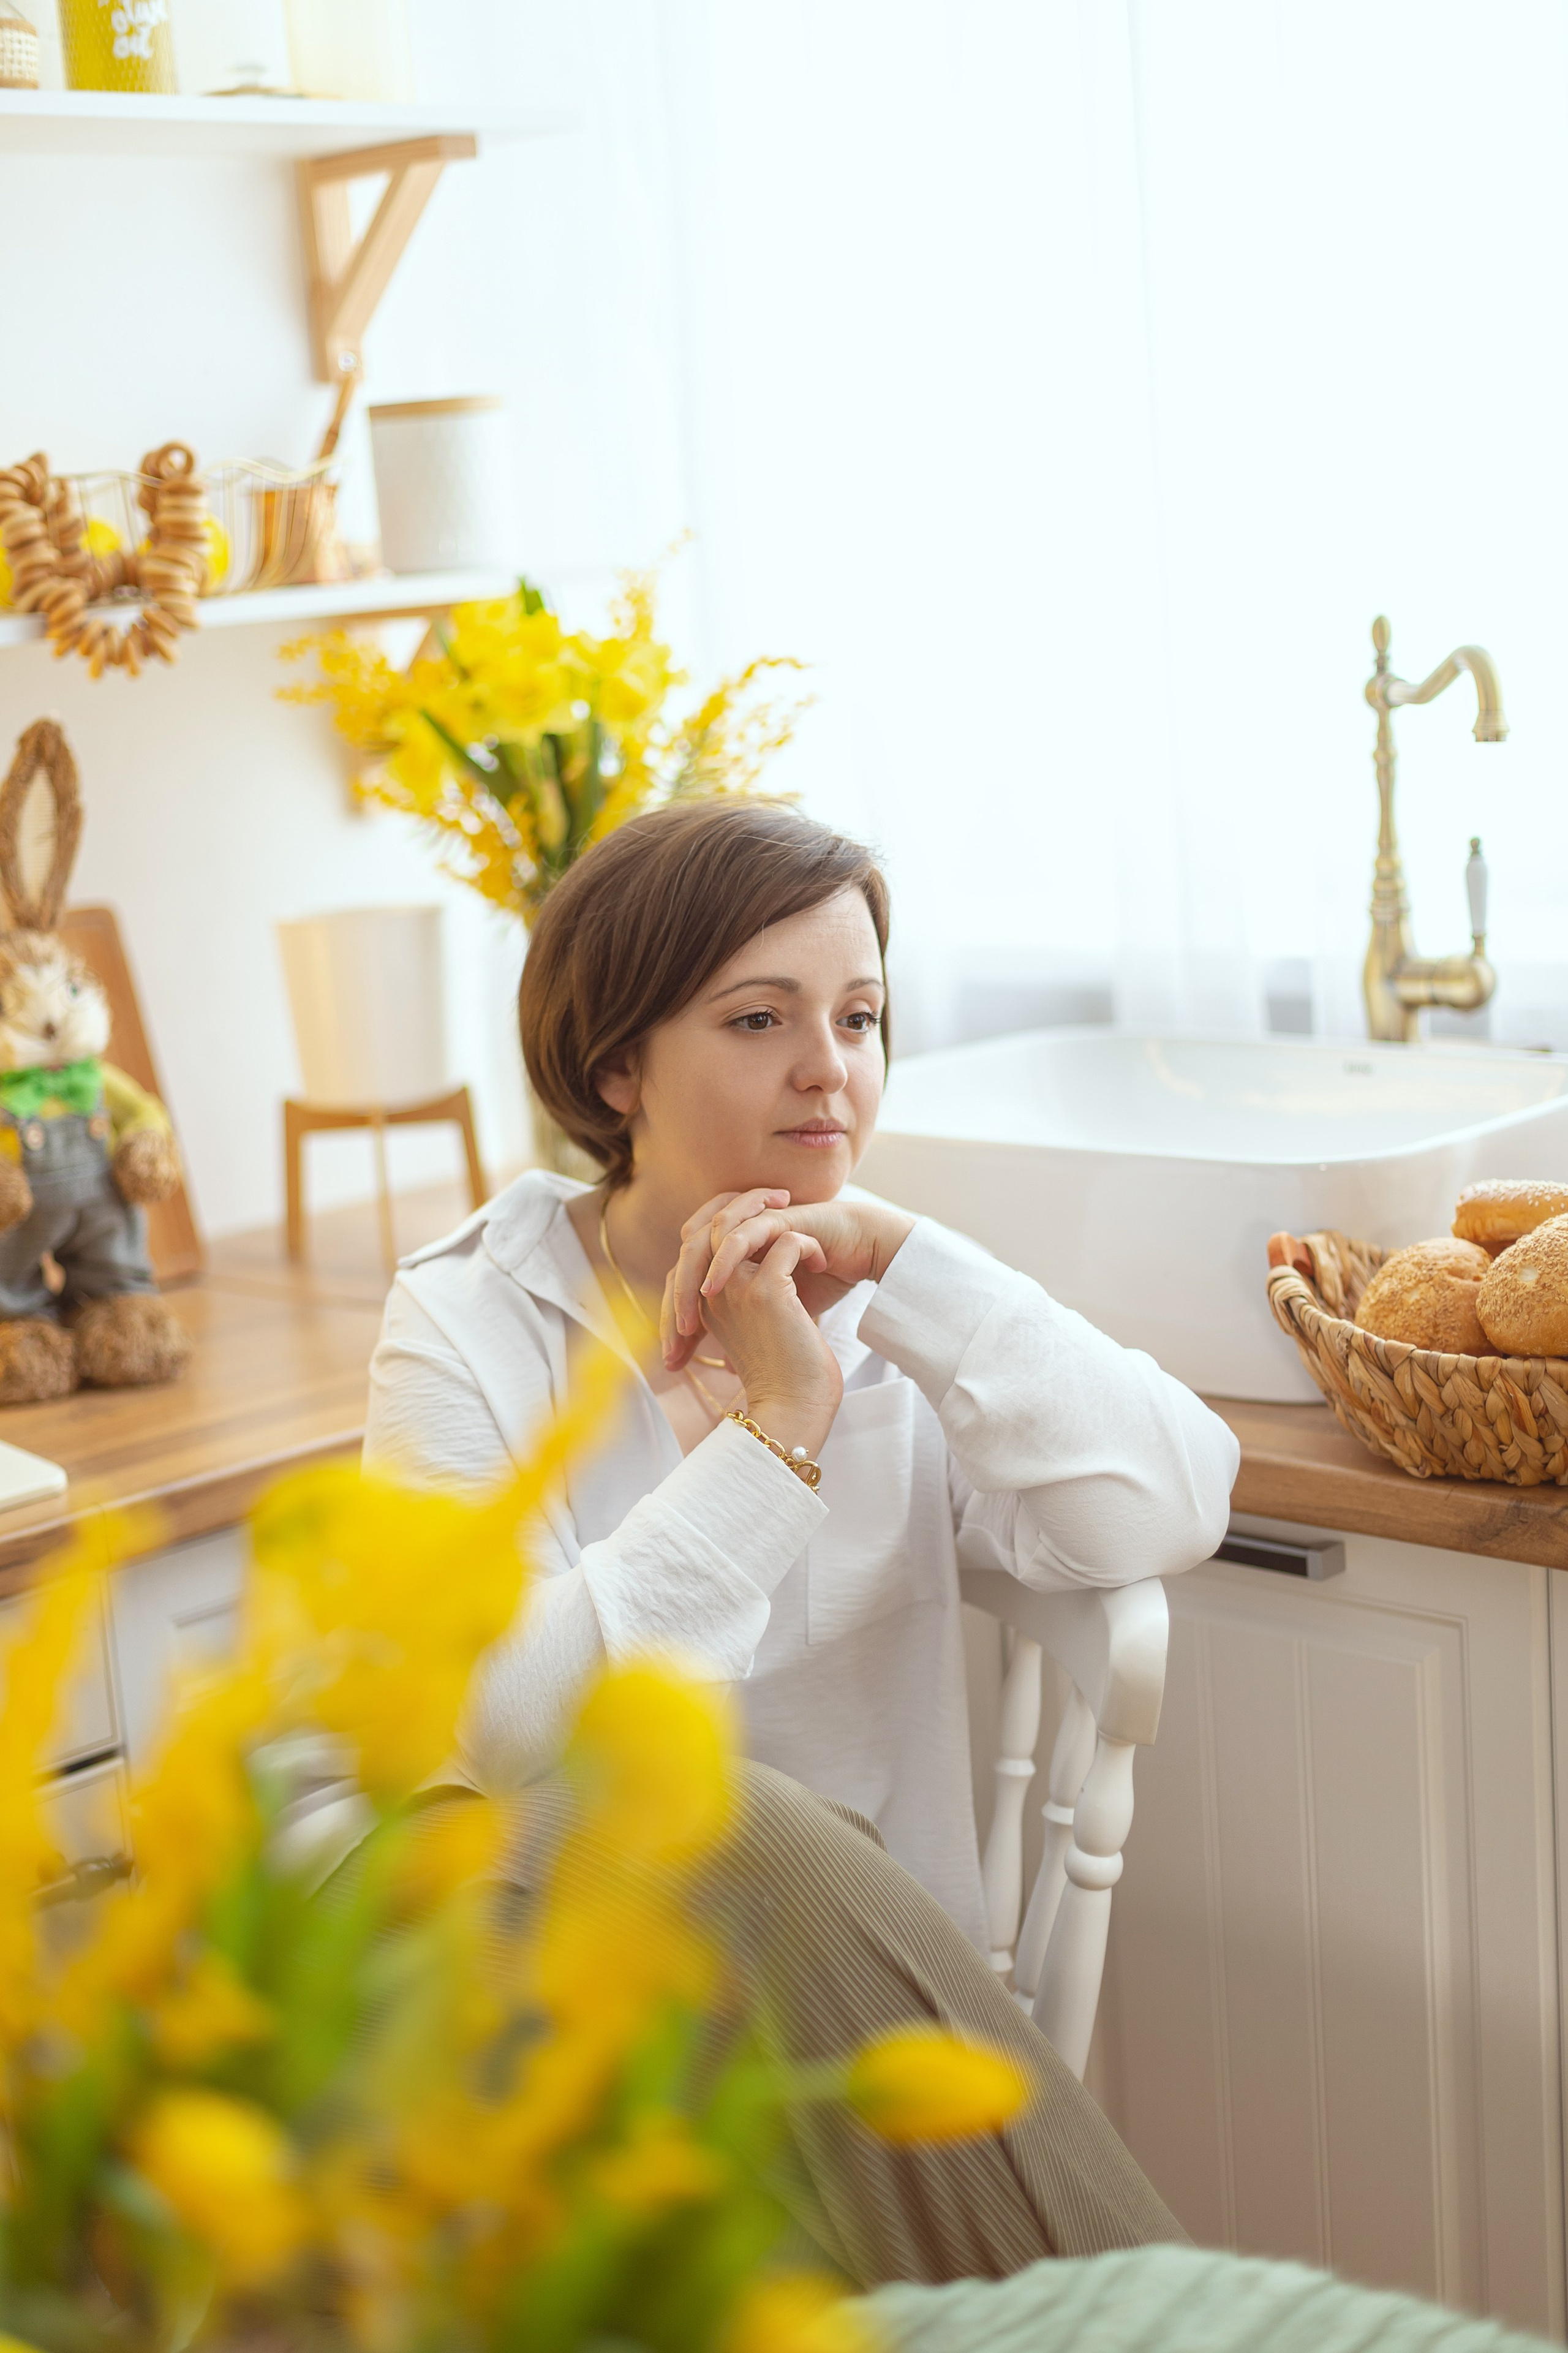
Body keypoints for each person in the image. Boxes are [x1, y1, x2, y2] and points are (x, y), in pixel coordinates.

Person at [365, 800, 1239, 1950]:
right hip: (581, 2034)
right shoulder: (470, 1314)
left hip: (879, 2017)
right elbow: (501, 1722)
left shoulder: (894, 1299)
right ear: (618, 1064)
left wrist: (906, 1257)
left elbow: (1173, 1504)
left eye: (861, 1016)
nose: (830, 1069)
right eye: (761, 1018)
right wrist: (778, 1428)